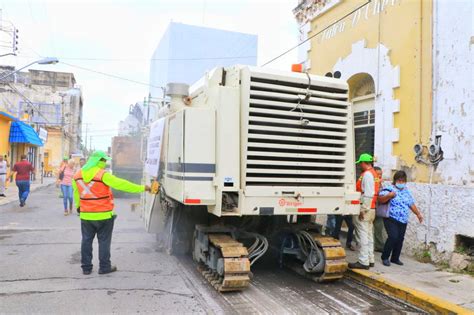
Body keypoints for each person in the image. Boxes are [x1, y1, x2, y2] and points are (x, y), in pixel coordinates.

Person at [73, 150, 151, 275]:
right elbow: (122, 184)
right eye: (103, 160)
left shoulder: (77, 175)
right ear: (98, 161)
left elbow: (76, 194)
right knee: (104, 241)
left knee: (86, 240)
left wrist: (79, 207)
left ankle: (86, 268)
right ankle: (104, 267)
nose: (105, 163)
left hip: (86, 215)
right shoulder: (103, 175)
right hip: (104, 215)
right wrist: (142, 188)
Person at [378, 171, 423, 266]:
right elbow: (380, 199)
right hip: (391, 218)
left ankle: (395, 258)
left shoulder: (406, 191)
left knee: (399, 239)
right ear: (395, 180)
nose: (401, 182)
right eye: (399, 180)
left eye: (403, 180)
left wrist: (418, 214)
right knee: (393, 237)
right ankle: (385, 257)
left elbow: (411, 204)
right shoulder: (389, 189)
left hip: (403, 219)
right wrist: (389, 196)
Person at [349, 153, 380, 270]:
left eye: (360, 163)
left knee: (362, 235)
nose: (360, 166)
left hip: (366, 208)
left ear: (363, 163)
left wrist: (363, 209)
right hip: (372, 208)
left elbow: (368, 194)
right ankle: (370, 259)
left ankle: (363, 261)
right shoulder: (374, 173)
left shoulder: (367, 175)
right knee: (368, 234)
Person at [373, 166, 387, 252]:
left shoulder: (380, 184)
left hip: (379, 209)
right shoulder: (371, 183)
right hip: (371, 208)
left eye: (381, 175)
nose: (380, 176)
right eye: (378, 174)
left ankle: (379, 246)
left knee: (379, 228)